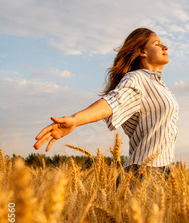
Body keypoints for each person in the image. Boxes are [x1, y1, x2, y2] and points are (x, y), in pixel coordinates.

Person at [33, 28, 179, 179]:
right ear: (142, 51)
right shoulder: (136, 78)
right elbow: (111, 103)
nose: (165, 47)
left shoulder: (159, 85)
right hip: (145, 172)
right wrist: (75, 120)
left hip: (163, 171)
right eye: (157, 44)